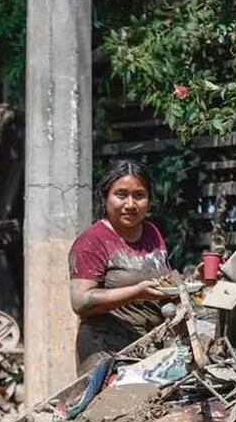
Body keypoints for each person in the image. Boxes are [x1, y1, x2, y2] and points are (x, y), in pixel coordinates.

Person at [68, 159, 171, 374]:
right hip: (105, 352)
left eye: (139, 195)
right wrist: (136, 292)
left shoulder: (152, 233)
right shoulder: (93, 241)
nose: (131, 205)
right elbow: (80, 301)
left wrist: (192, 282)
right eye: (121, 195)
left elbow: (164, 280)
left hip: (149, 349)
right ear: (105, 197)